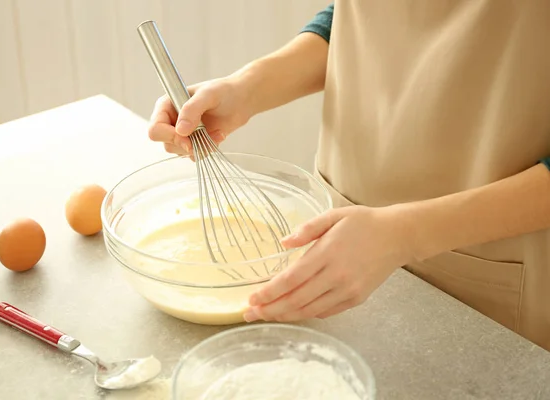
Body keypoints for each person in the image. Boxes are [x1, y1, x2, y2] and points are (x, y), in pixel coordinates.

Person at [147, 2, 550, 351]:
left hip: (489, 261)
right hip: (340, 221)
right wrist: (248, 87)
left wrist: (407, 233)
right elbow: (363, 18)